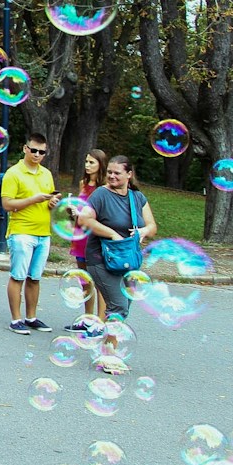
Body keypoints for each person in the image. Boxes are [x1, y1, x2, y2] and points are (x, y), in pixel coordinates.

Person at [78, 155, 157, 373]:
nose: (112, 176)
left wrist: (143, 231)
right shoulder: (101, 194)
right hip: (100, 259)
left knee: (122, 308)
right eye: (110, 172)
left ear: (129, 175)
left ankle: (108, 349)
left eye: (117, 173)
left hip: (128, 260)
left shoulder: (137, 197)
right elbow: (84, 219)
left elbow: (152, 226)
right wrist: (111, 233)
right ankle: (108, 357)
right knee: (118, 305)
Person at [1, 133, 58, 334]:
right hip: (21, 232)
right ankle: (16, 319)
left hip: (43, 233)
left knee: (35, 277)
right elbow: (7, 205)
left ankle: (31, 317)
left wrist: (51, 203)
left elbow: (48, 200)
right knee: (18, 276)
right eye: (33, 150)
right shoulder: (13, 173)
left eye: (41, 152)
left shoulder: (46, 174)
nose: (37, 154)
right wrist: (34, 199)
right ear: (25, 148)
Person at [64, 148, 108, 335]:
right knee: (84, 279)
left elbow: (104, 213)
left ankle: (100, 322)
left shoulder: (105, 187)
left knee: (99, 280)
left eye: (92, 162)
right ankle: (87, 319)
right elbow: (81, 209)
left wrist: (82, 214)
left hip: (95, 237)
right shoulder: (84, 183)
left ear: (101, 164)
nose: (87, 165)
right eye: (86, 162)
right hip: (80, 235)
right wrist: (71, 211)